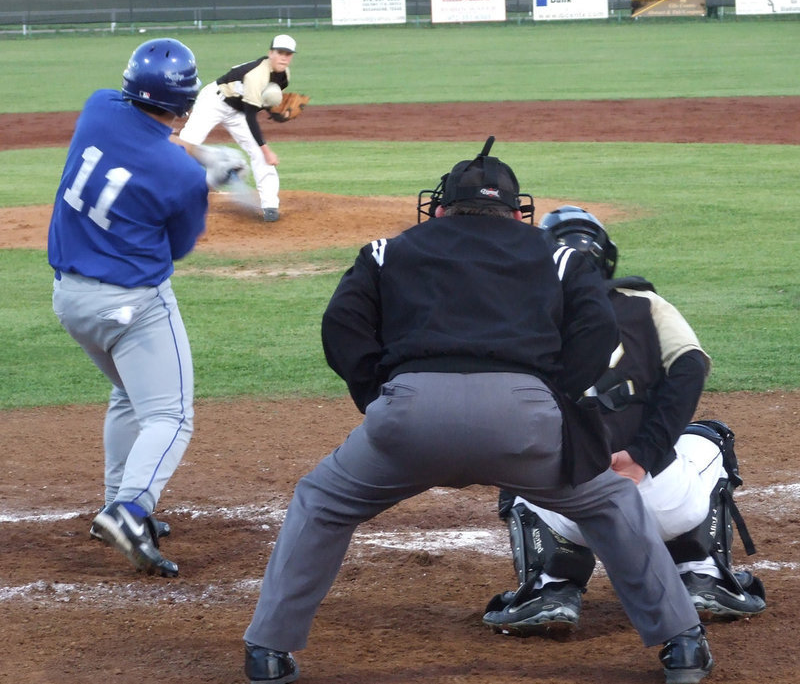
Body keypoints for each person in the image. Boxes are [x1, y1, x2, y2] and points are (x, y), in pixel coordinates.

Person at [241, 140, 713, 684]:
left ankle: (268, 652)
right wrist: (551, 397)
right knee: (610, 504)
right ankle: (682, 645)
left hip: (408, 414)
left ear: (440, 208)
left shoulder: (386, 249)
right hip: (525, 418)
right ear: (517, 213)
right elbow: (597, 329)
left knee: (322, 502)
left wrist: (381, 395)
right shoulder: (560, 255)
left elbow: (341, 327)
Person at [482, 206, 766, 637]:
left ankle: (551, 585)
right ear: (605, 256)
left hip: (569, 506)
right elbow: (690, 367)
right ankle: (701, 572)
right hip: (664, 500)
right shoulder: (645, 303)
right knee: (711, 438)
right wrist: (642, 454)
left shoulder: (516, 314)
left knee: (518, 456)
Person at [47, 38, 244, 577]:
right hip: (133, 307)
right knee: (171, 415)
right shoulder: (180, 180)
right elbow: (178, 246)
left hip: (71, 300)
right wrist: (206, 177)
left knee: (130, 394)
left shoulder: (97, 108)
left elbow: (145, 140)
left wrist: (198, 158)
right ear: (183, 104)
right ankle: (130, 510)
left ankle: (114, 500)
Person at [178, 33, 297, 223]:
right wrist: (267, 150)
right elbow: (251, 115)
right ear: (270, 53)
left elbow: (261, 102)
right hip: (214, 101)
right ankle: (167, 192)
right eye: (280, 52)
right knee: (187, 145)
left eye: (288, 54)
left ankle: (270, 205)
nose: (284, 57)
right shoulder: (257, 74)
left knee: (258, 152)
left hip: (237, 110)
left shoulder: (284, 77)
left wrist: (273, 113)